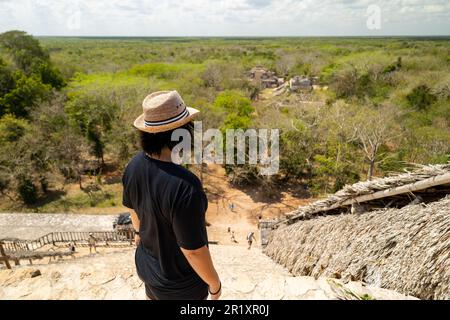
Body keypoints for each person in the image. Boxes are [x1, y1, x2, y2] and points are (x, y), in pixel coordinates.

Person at [122, 90, 221, 300]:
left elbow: (134, 213)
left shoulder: (133, 166)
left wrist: (142, 236)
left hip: (149, 270)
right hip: (181, 286)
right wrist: (215, 285)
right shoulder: (185, 186)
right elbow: (193, 251)